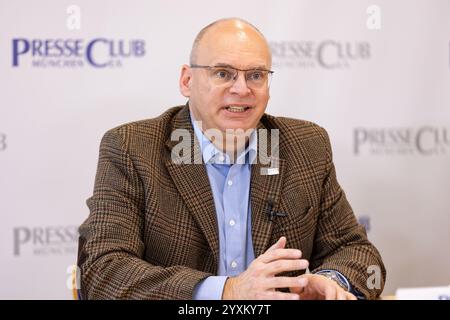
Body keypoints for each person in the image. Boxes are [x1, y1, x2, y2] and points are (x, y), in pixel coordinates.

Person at [77, 18, 386, 300]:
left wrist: (329, 282)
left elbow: (358, 253)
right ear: (187, 81)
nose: (241, 89)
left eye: (256, 75)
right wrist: (226, 291)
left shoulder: (305, 145)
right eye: (223, 73)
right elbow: (103, 273)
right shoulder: (133, 148)